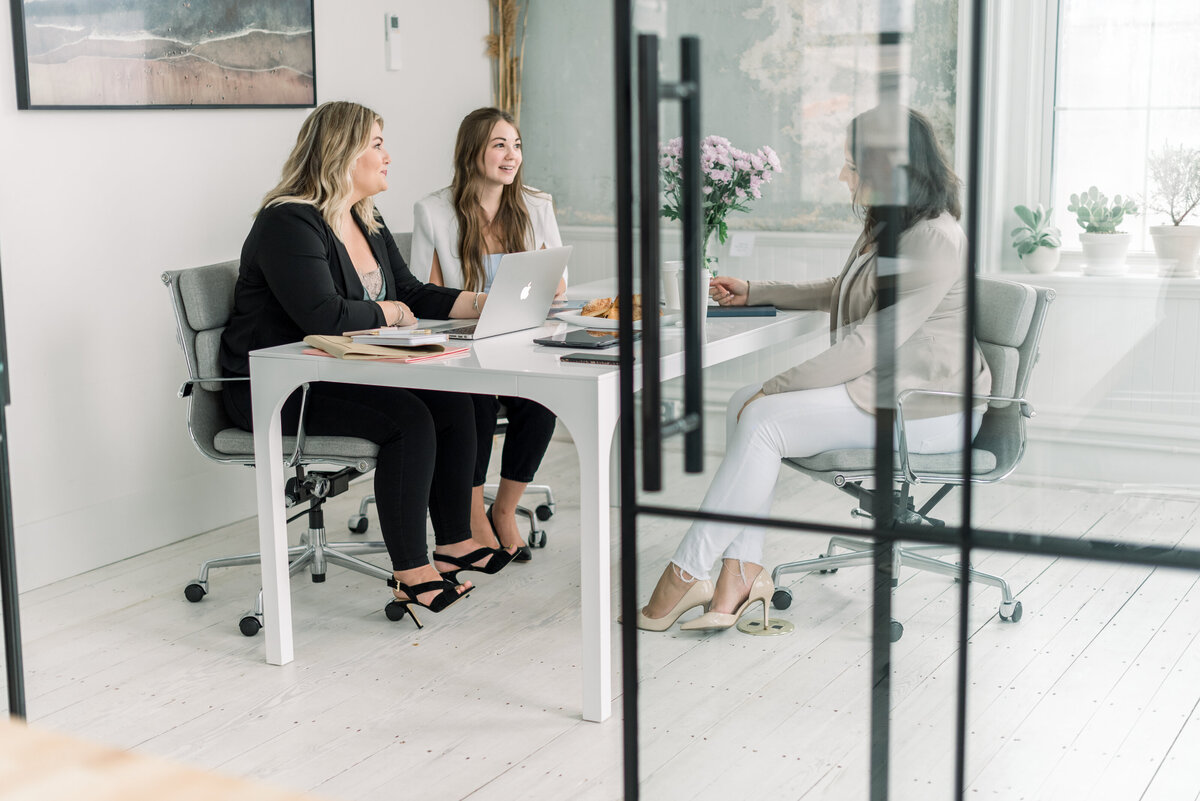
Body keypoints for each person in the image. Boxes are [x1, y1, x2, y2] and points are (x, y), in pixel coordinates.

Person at [636, 106, 993, 632]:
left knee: (762, 417)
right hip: (891, 392)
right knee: (742, 403)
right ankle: (743, 572)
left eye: (851, 165)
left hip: (930, 407)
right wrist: (757, 292)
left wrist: (777, 388)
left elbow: (871, 341)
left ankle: (686, 572)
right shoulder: (894, 224)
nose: (841, 176)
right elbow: (842, 288)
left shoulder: (934, 238)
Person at [219, 101, 514, 625]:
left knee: (459, 398)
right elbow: (323, 315)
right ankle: (412, 571)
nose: (388, 156)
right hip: (281, 389)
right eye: (377, 144)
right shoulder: (289, 220)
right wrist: (391, 311)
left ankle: (454, 543)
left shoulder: (365, 219)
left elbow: (415, 292)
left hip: (338, 376)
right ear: (341, 151)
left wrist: (485, 301)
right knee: (409, 421)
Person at [410, 107, 565, 563]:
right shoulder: (434, 210)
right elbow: (424, 292)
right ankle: (472, 513)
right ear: (472, 150)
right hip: (463, 345)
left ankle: (505, 509)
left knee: (541, 404)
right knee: (474, 399)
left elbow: (558, 281)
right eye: (499, 144)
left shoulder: (537, 205)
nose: (511, 154)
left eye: (516, 145)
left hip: (518, 341)